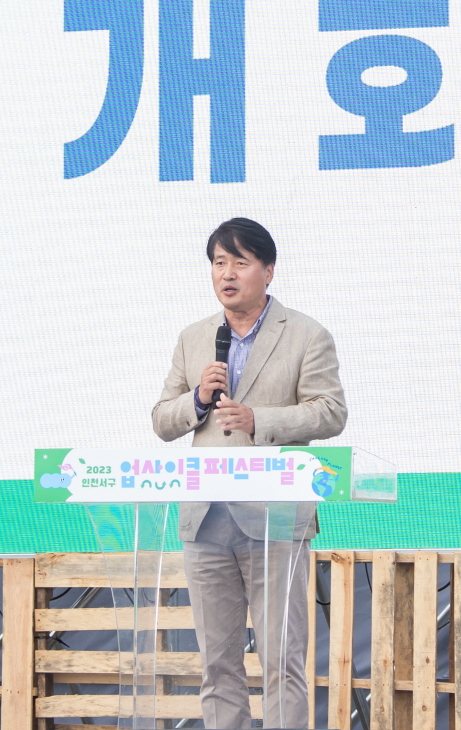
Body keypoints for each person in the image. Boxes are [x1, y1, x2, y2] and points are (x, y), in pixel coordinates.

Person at [152, 217, 348, 729]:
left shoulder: (306, 335)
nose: (227, 274)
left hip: (274, 519)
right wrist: (197, 399)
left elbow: (331, 412)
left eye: (240, 262)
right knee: (217, 665)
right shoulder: (194, 338)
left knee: (282, 659)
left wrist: (260, 420)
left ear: (268, 270)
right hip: (206, 521)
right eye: (219, 263)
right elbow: (162, 420)